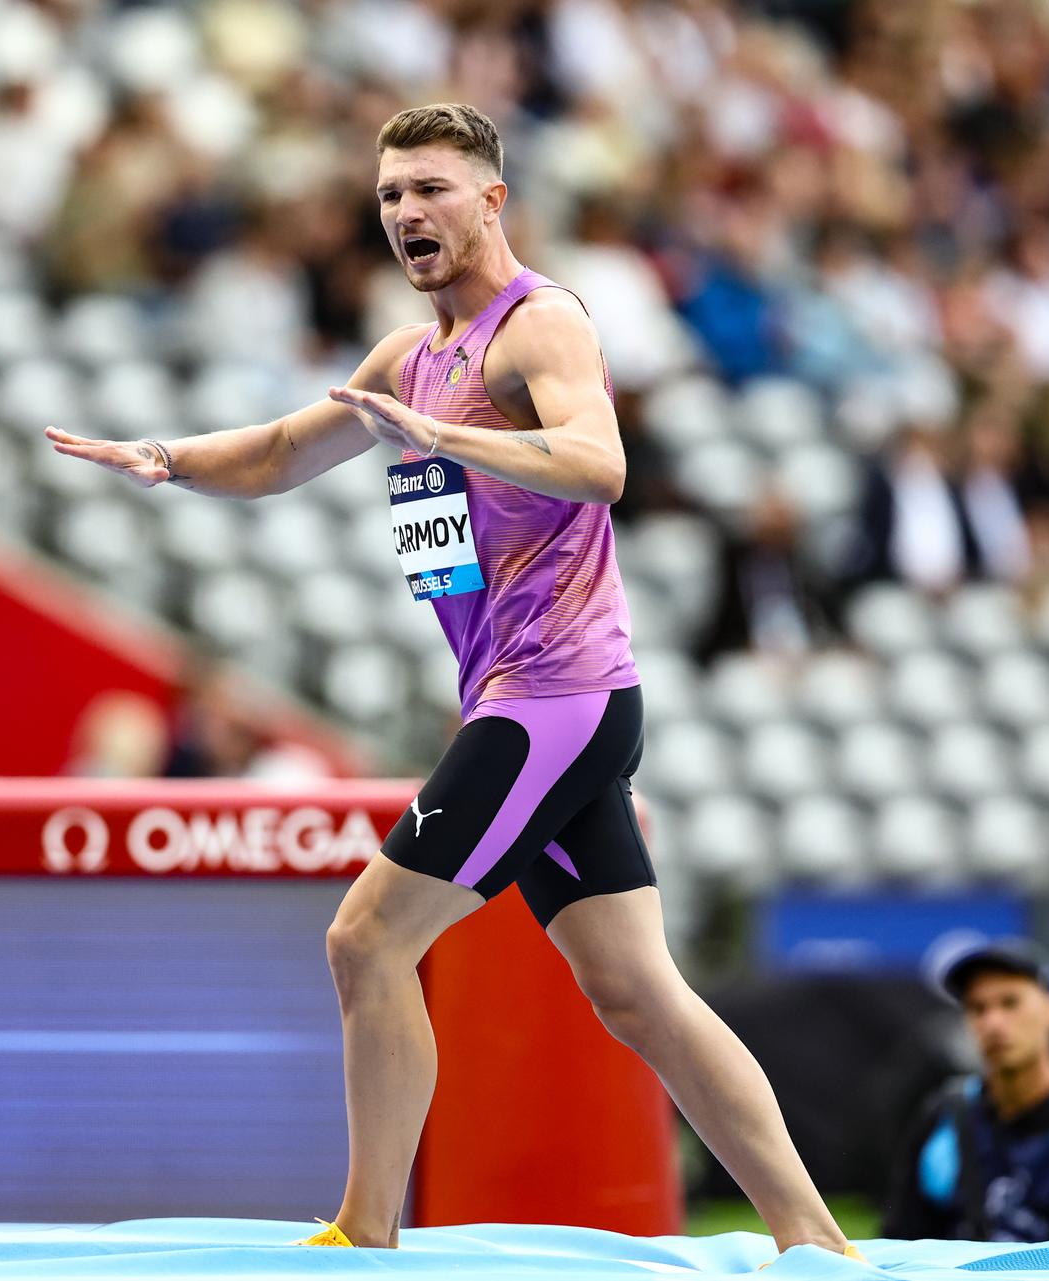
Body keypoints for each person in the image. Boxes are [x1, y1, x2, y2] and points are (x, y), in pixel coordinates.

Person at [47, 103, 854, 1257]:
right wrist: (169, 460)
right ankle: (815, 1241)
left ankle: (364, 1231)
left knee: (365, 941)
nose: (407, 214)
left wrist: (454, 438)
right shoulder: (409, 360)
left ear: (492, 201)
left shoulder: (542, 326)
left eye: (430, 188)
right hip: (541, 704)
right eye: (388, 197)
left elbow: (603, 465)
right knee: (638, 995)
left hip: (555, 699)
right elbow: (283, 451)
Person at [883, 939, 1049, 1241]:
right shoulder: (943, 1119)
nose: (993, 1022)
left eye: (1010, 1003)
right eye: (978, 1008)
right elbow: (902, 1248)